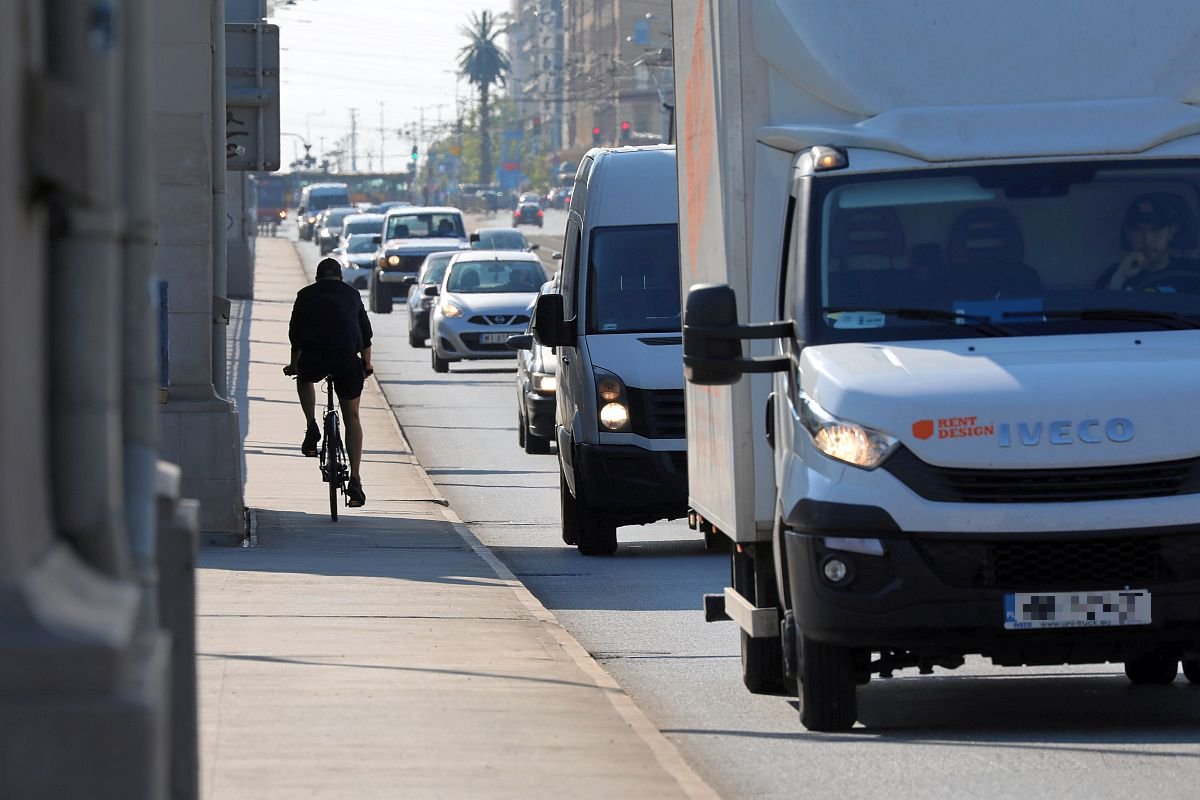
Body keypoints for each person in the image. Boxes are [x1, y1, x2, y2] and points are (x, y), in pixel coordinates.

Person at [284, 258, 373, 507]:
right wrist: (367, 365)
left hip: (314, 358)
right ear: (340, 277)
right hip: (346, 360)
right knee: (352, 417)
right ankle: (355, 480)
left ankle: (312, 425)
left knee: (303, 378)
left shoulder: (305, 295)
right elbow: (366, 336)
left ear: (317, 278)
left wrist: (293, 364)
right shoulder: (352, 294)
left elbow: (296, 336)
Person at [1097, 194, 1198, 291]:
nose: (1147, 240)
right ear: (1127, 235)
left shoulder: (1192, 272)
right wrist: (1119, 277)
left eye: (1155, 231)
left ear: (1171, 232)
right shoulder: (1115, 275)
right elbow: (1102, 302)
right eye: (1138, 231)